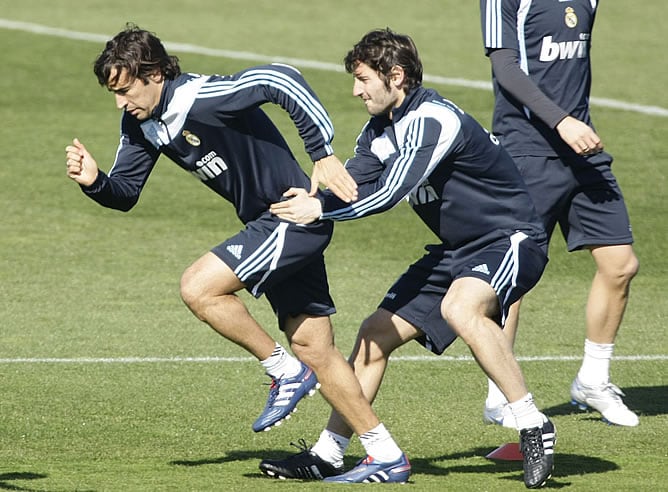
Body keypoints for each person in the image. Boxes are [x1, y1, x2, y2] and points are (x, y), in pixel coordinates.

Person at [64, 24, 410, 469]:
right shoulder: (141, 122)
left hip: (291, 217)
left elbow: (281, 79)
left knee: (198, 287)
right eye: (113, 93)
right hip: (274, 226)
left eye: (126, 89)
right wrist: (95, 182)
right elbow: (126, 191)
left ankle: (283, 373)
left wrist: (321, 152)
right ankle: (383, 453)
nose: (120, 102)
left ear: (154, 74)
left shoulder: (201, 97)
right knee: (314, 349)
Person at [262, 28, 555, 488]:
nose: (356, 91)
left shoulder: (432, 120)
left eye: (362, 79)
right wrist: (312, 192)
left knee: (460, 308)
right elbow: (355, 183)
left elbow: (389, 192)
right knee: (375, 334)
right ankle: (328, 453)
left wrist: (318, 209)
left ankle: (532, 423)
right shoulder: (379, 129)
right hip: (457, 250)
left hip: (510, 238)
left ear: (395, 76)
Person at [479, 0, 639, 428]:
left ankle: (593, 379)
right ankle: (501, 396)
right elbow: (505, 67)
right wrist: (561, 120)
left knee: (620, 265)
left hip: (582, 150)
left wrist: (572, 124)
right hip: (527, 149)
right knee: (512, 274)